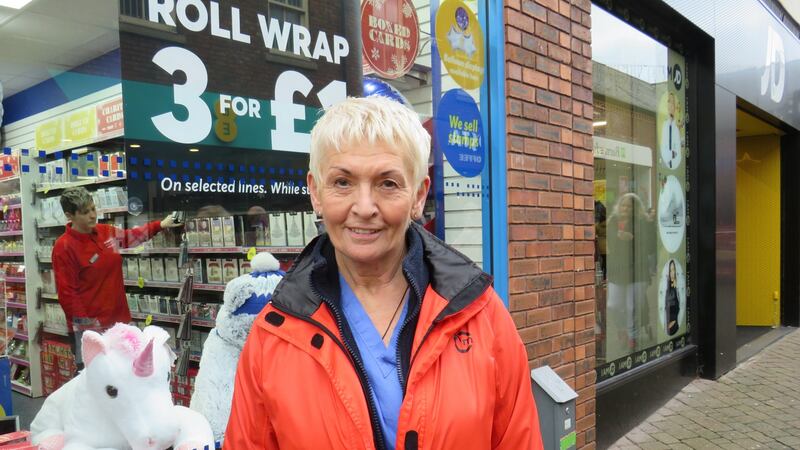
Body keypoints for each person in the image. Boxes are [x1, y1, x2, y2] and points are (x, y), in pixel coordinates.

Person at [225, 96, 543, 449]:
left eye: (388, 183)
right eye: (342, 182)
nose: (364, 207)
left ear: (418, 195)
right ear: (316, 192)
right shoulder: (273, 336)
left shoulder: (481, 318)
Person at [51, 187, 182, 368]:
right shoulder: (63, 247)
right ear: (69, 215)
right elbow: (68, 296)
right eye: (85, 212)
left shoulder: (105, 232)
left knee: (125, 374)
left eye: (93, 209)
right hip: (91, 332)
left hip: (119, 324)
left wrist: (160, 225)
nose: (92, 215)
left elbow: (130, 237)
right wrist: (89, 329)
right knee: (94, 377)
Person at [605, 192, 655, 357]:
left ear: (635, 209)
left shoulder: (641, 223)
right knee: (612, 305)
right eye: (624, 205)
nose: (626, 209)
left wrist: (635, 237)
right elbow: (609, 244)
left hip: (637, 271)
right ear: (619, 206)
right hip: (618, 271)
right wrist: (618, 237)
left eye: (629, 206)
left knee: (632, 307)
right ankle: (622, 331)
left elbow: (649, 246)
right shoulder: (612, 222)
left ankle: (632, 339)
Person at [665, 260, 680, 335]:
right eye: (670, 270)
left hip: (676, 324)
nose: (672, 273)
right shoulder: (668, 290)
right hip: (671, 325)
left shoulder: (676, 287)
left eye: (673, 270)